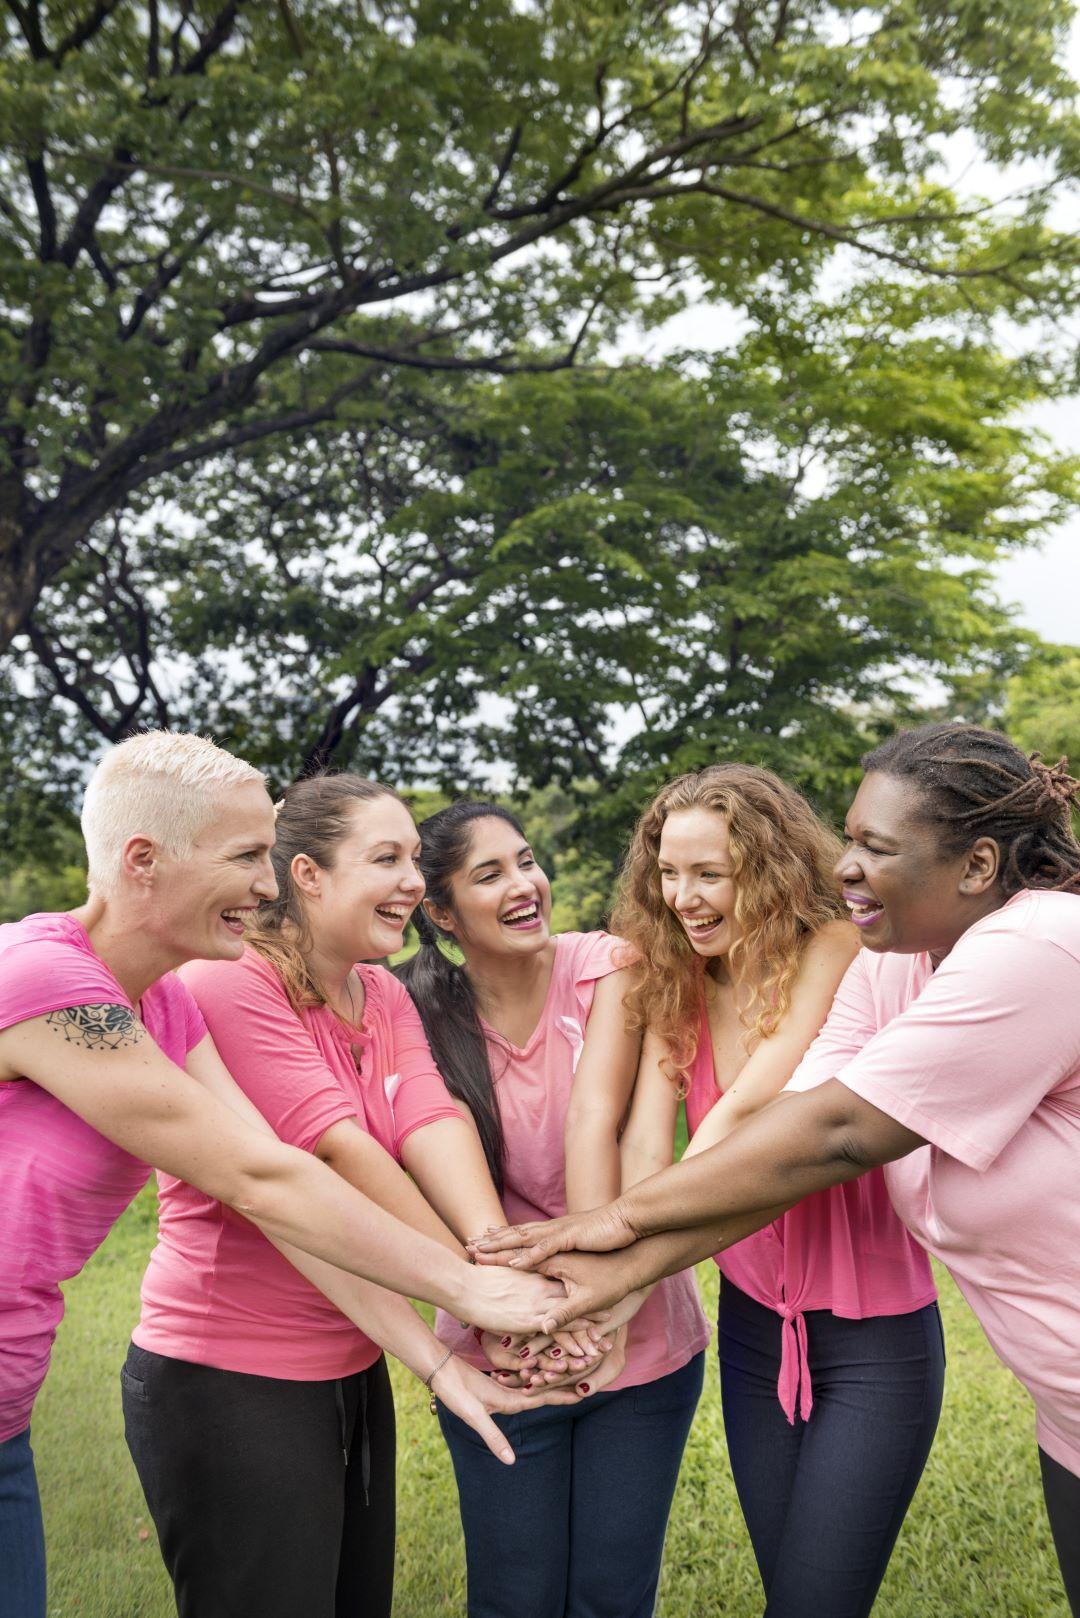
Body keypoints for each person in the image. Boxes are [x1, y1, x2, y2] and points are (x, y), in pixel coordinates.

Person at [472, 724, 1080, 1616]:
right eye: (850, 839)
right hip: (1063, 1410)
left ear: (979, 865)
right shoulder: (897, 965)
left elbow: (835, 1135)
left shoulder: (1039, 946)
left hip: (890, 1339)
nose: (846, 866)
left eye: (875, 847)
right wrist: (606, 1283)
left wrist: (620, 1223)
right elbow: (787, 1145)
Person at [0, 734, 563, 1618]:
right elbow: (268, 1175)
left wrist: (433, 1358)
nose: (270, 885)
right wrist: (471, 1289)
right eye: (247, 856)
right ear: (142, 861)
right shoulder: (49, 979)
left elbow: (281, 1195)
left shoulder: (165, 1002)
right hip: (209, 1378)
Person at [614, 763, 942, 1617]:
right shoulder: (678, 978)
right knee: (787, 1589)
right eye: (668, 871)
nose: (683, 896)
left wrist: (617, 1250)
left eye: (709, 873)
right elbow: (650, 1137)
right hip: (756, 1331)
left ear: (764, 870)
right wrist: (615, 1265)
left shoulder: (836, 950)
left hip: (876, 1338)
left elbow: (755, 1105)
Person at [399, 800, 710, 1618]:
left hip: (636, 1330)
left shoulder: (606, 965)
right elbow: (432, 1183)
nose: (525, 884)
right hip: (499, 1345)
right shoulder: (413, 1013)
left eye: (527, 860)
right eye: (489, 874)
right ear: (439, 910)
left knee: (612, 1596)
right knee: (513, 1598)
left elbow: (596, 1122)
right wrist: (529, 1320)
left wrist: (596, 1306)